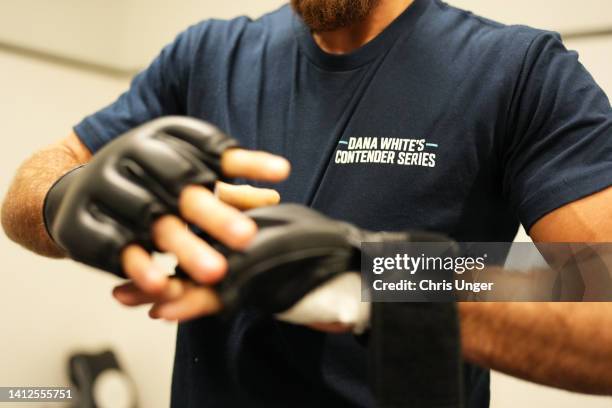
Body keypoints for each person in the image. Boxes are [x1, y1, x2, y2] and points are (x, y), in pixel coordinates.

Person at [3, 0, 612, 406]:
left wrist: (369, 276)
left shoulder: (517, 70)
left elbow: (597, 287)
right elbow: (32, 183)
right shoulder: (207, 55)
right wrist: (68, 195)